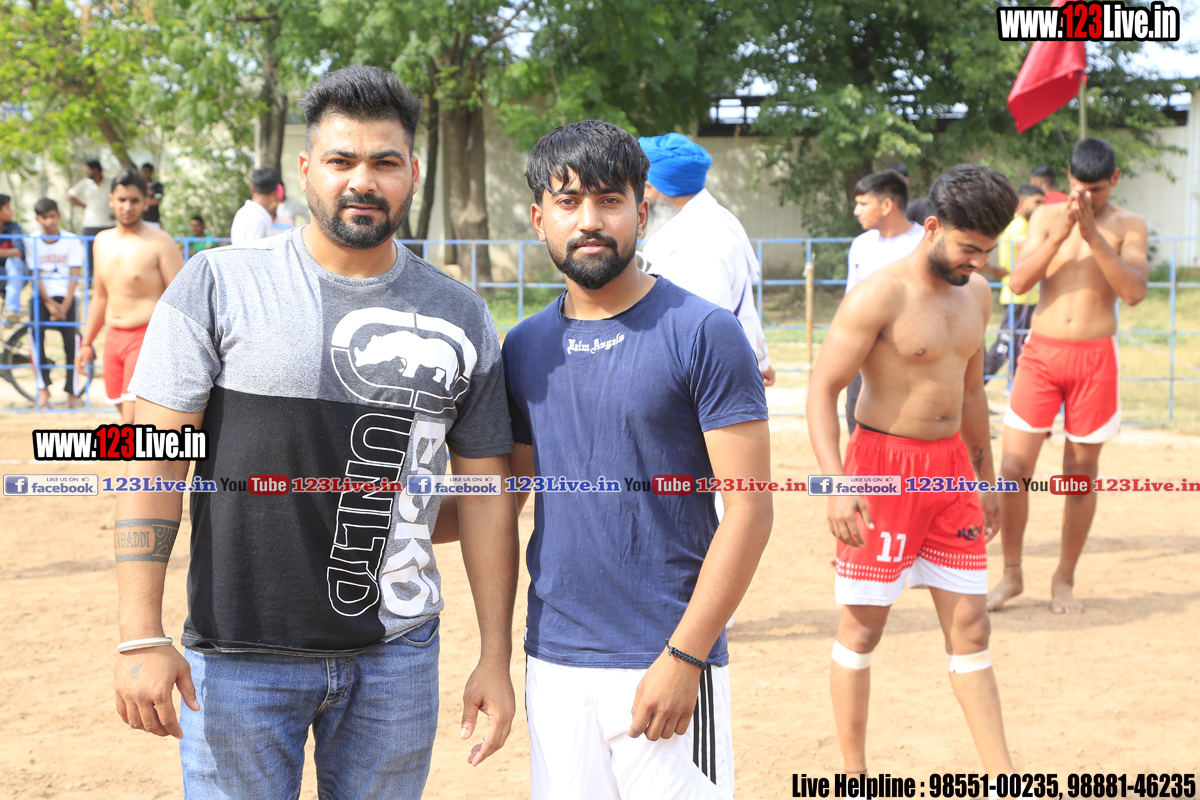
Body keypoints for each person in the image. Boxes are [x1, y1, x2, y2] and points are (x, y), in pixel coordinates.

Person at [110, 65, 519, 797]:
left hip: (397, 657)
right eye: (340, 160)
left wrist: (495, 655)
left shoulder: (461, 316)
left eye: (385, 162)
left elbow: (488, 497)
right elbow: (155, 462)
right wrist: (140, 630)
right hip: (238, 658)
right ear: (305, 170)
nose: (362, 180)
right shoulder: (218, 284)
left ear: (413, 173)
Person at [506, 120, 772, 799]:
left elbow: (750, 509)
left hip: (666, 656)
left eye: (609, 200)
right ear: (539, 219)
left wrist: (686, 655)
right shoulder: (525, 347)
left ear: (642, 213)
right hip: (554, 661)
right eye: (568, 202)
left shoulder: (704, 332)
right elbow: (503, 498)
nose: (589, 221)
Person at [807, 164, 1019, 776]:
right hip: (880, 469)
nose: (978, 262)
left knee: (972, 627)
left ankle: (1005, 780)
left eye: (987, 251)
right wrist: (837, 482)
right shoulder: (879, 295)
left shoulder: (977, 294)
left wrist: (985, 481)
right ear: (932, 228)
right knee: (863, 630)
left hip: (951, 471)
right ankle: (854, 777)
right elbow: (822, 390)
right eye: (968, 248)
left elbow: (972, 394)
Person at [989, 138, 1148, 615]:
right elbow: (1019, 282)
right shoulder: (1044, 217)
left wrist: (1094, 236)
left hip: (1095, 358)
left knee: (1078, 475)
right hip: (1042, 354)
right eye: (1081, 187)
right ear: (1069, 178)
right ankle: (1012, 574)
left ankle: (1064, 578)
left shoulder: (1129, 225)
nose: (1087, 197)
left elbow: (1134, 292)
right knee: (1012, 469)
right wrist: (1061, 234)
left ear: (1114, 180)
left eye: (1097, 190)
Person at [637, 132, 774, 386]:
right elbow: (744, 310)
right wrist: (761, 360)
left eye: (646, 188)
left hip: (701, 385)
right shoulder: (710, 221)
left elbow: (707, 330)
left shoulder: (703, 238)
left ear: (660, 187)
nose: (643, 199)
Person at [75, 170, 183, 424]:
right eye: (122, 199)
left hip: (146, 338)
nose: (127, 206)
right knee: (124, 412)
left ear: (145, 203)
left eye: (134, 200)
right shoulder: (101, 241)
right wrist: (87, 343)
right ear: (111, 200)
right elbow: (100, 295)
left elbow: (182, 298)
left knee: (132, 422)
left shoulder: (160, 241)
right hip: (112, 339)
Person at [843, 169, 925, 433]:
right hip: (864, 357)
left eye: (863, 203)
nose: (856, 211)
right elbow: (850, 302)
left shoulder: (925, 243)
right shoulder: (860, 245)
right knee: (857, 422)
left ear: (887, 205)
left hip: (911, 360)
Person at [983, 184, 1044, 382]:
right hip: (1017, 297)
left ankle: (1016, 386)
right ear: (1022, 201)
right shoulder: (1019, 225)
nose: (1040, 207)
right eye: (1037, 202)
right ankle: (979, 382)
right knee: (1004, 345)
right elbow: (1027, 249)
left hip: (1027, 297)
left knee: (1022, 346)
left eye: (1042, 203)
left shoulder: (1026, 225)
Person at [27, 198, 84, 409]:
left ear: (58, 216)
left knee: (73, 341)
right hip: (42, 297)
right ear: (38, 219)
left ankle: (72, 393)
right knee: (34, 335)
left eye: (52, 216)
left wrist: (65, 305)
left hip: (68, 296)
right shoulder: (31, 240)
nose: (49, 221)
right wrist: (49, 304)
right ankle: (43, 389)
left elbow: (74, 273)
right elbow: (35, 275)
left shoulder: (71, 240)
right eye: (44, 217)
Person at [67, 159, 115, 269]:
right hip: (90, 224)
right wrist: (84, 206)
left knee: (109, 255)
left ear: (96, 170)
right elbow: (69, 195)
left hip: (108, 224)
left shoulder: (110, 183)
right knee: (89, 255)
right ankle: (88, 278)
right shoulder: (85, 183)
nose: (87, 172)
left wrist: (116, 214)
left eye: (89, 169)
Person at [229, 167, 281, 244]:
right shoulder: (259, 220)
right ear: (275, 192)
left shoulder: (242, 212)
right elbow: (253, 251)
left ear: (252, 188)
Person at [1, 194, 27, 323]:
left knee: (14, 261)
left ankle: (12, 310)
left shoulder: (13, 227)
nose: (12, 211)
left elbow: (19, 251)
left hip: (15, 273)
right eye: (7, 208)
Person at [140, 162, 165, 230]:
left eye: (146, 171)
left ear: (151, 172)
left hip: (153, 222)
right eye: (143, 171)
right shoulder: (139, 186)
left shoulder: (157, 186)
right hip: (140, 221)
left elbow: (156, 201)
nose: (144, 173)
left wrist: (140, 201)